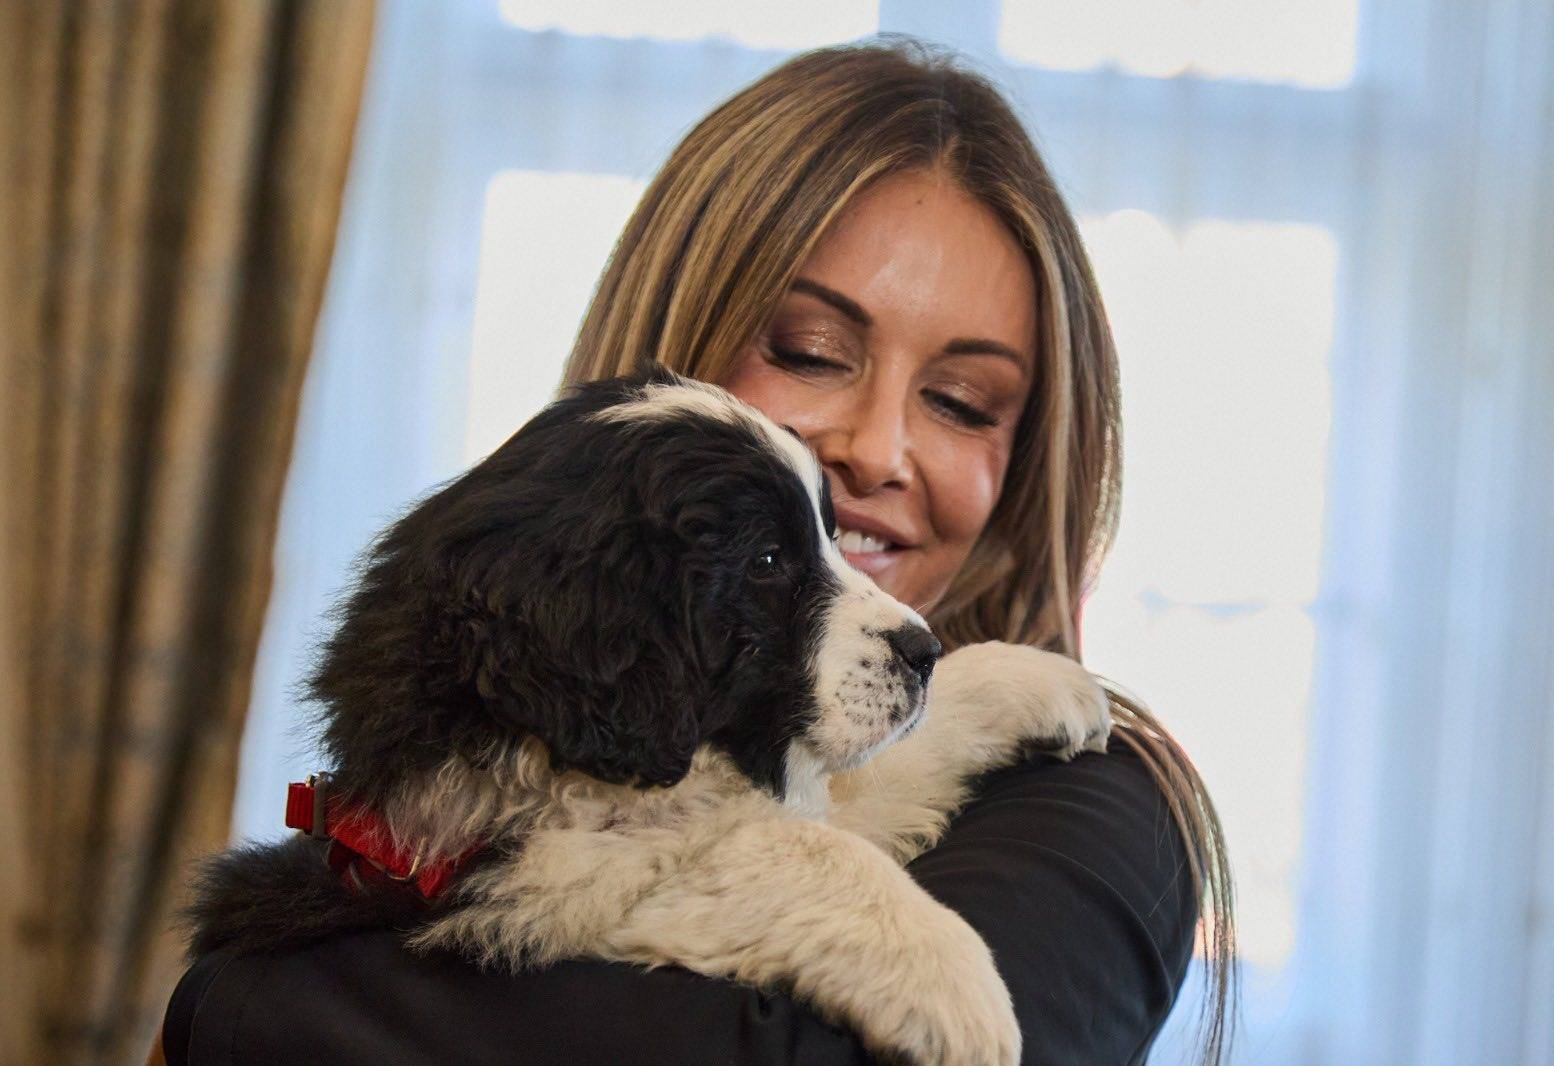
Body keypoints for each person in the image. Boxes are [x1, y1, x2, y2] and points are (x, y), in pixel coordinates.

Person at [158, 35, 1235, 1065]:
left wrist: (243, 1008)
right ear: (680, 327)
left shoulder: (1097, 805)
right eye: (810, 351)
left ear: (1025, 462)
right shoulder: (547, 647)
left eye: (960, 400)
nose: (875, 451)